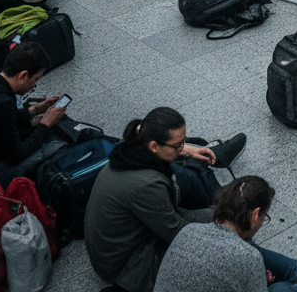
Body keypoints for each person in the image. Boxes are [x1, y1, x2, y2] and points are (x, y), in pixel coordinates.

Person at [85, 107, 245, 292]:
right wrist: (222, 226)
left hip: (124, 240)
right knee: (223, 226)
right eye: (177, 145)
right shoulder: (146, 184)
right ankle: (225, 203)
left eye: (183, 142)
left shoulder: (130, 151)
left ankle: (218, 191)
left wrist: (186, 149)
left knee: (191, 164)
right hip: (127, 265)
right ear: (153, 146)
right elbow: (177, 234)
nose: (181, 147)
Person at [153, 176, 297, 292]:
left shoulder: (188, 230)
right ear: (255, 215)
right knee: (288, 289)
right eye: (264, 216)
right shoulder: (249, 257)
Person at [0, 43, 67, 185]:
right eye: (35, 79)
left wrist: (35, 109)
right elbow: (14, 155)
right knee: (56, 145)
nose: (33, 85)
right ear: (23, 76)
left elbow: (1, 120)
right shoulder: (2, 104)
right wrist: (45, 124)